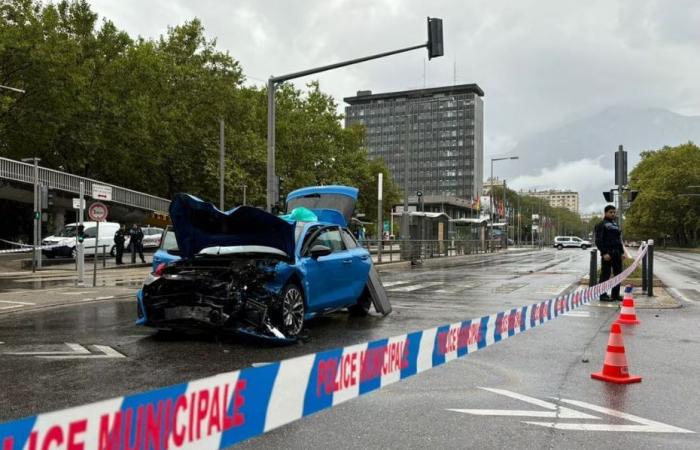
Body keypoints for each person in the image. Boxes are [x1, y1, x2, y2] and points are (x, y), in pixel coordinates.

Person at [595, 205, 625, 301]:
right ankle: (602, 295)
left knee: (618, 275)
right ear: (606, 213)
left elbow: (618, 240)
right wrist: (604, 253)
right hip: (607, 254)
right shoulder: (601, 224)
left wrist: (622, 252)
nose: (613, 214)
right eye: (610, 212)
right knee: (605, 275)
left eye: (614, 212)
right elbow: (598, 241)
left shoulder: (615, 225)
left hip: (617, 253)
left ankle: (615, 295)